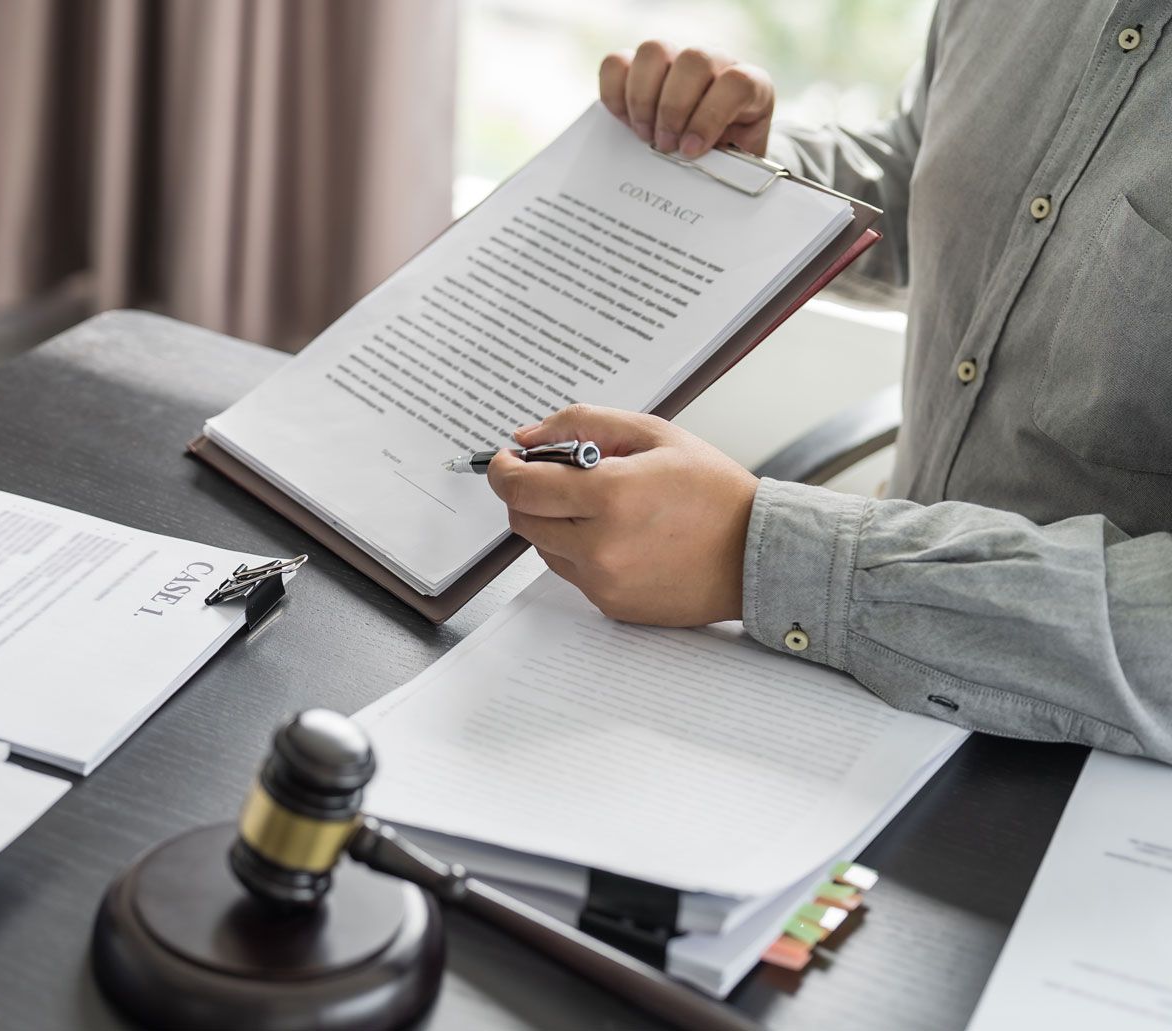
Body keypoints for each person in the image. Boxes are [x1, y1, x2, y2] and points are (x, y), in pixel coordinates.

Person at [488, 10, 1172, 762]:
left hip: (1090, 770)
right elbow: (931, 176)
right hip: (859, 678)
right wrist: (747, 169)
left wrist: (759, 551)